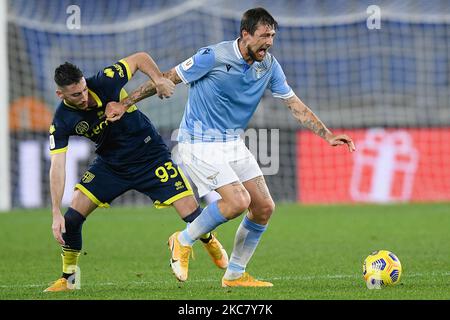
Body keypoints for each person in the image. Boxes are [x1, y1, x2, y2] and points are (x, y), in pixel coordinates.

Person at [105, 8, 356, 287]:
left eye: (272, 36)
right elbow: (167, 77)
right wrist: (125, 104)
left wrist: (328, 135)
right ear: (245, 34)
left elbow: (294, 104)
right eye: (263, 36)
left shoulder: (269, 66)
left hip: (231, 142)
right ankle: (182, 239)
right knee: (237, 201)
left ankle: (235, 274)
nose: (269, 42)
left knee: (263, 207)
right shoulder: (213, 56)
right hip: (198, 142)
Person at [44, 52, 228, 292]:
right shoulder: (61, 121)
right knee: (71, 219)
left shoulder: (105, 80)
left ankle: (208, 239)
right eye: (76, 95)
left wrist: (159, 79)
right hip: (111, 165)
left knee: (192, 214)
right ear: (61, 95)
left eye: (84, 89)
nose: (84, 97)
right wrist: (56, 211)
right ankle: (69, 280)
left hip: (149, 155)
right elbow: (57, 166)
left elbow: (140, 58)